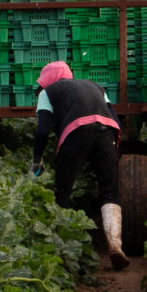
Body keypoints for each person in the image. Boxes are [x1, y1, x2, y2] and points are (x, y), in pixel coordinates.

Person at [30, 62, 128, 269]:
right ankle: (114, 245)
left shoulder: (46, 93)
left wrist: (37, 159)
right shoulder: (95, 87)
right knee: (109, 190)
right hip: (107, 132)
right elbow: (116, 119)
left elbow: (42, 131)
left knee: (63, 191)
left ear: (47, 80)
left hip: (75, 133)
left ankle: (62, 249)